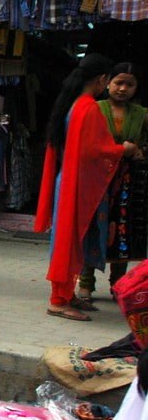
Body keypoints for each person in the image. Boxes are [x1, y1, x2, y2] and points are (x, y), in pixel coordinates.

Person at [35, 54, 137, 321]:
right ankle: (58, 300)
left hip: (69, 180)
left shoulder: (75, 104)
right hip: (75, 184)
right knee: (68, 242)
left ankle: (66, 294)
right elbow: (94, 150)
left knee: (70, 241)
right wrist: (122, 149)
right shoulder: (88, 107)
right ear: (103, 80)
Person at [77, 63, 148, 310]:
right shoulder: (95, 109)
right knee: (94, 229)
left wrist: (139, 151)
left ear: (136, 87)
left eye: (129, 84)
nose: (122, 88)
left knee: (123, 233)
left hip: (128, 183)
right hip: (97, 181)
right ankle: (86, 282)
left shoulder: (142, 114)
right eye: (118, 82)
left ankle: (118, 283)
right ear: (107, 82)